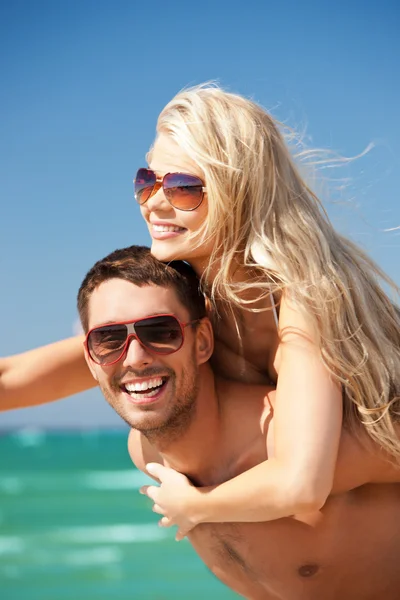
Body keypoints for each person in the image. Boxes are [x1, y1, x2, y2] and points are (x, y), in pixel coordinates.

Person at [1, 83, 399, 531]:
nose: (154, 203)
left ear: (240, 191)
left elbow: (302, 484)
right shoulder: (187, 298)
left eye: (184, 187)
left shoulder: (302, 299)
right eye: (145, 182)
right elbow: (16, 378)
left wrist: (194, 507)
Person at [78, 244, 400, 600]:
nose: (135, 358)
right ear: (91, 360)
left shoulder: (294, 439)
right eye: (108, 339)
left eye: (161, 332)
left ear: (202, 342)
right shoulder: (146, 453)